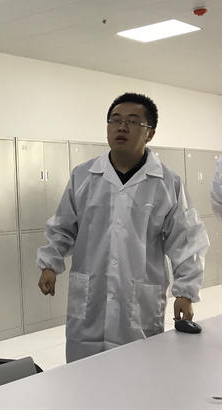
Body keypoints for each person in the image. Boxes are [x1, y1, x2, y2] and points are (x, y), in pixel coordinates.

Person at [36, 92, 209, 363]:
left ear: (150, 133)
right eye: (115, 120)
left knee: (138, 371)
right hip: (90, 301)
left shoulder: (167, 182)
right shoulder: (83, 175)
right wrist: (50, 263)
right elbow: (63, 226)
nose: (122, 127)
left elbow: (186, 241)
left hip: (138, 303)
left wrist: (185, 292)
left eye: (133, 121)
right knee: (84, 374)